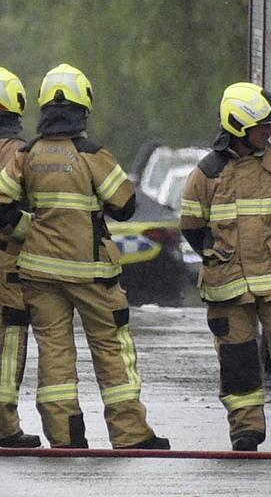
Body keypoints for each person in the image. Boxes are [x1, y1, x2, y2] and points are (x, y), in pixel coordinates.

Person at [0, 64, 168, 450]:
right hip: (91, 272)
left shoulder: (27, 154)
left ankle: (65, 436)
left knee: (55, 354)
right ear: (82, 109)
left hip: (39, 273)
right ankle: (130, 435)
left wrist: (33, 229)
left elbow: (2, 204)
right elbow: (125, 205)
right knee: (111, 348)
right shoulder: (92, 154)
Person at [179, 82, 271, 453]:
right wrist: (218, 256)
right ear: (239, 126)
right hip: (229, 284)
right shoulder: (207, 173)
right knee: (238, 360)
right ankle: (246, 431)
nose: (269, 132)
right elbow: (192, 228)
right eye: (262, 126)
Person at [0, 68, 39, 449]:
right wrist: (36, 230)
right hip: (7, 266)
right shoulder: (19, 152)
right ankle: (5, 428)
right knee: (10, 344)